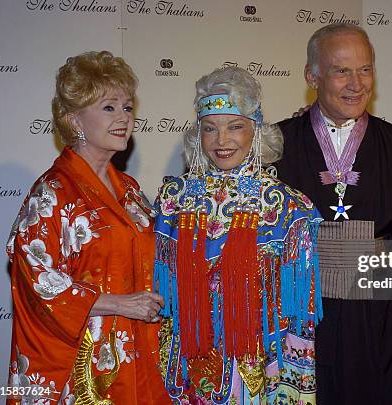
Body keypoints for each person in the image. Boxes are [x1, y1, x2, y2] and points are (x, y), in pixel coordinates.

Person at [5, 51, 168, 404]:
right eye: (109, 108)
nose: (124, 118)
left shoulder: (131, 190)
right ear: (73, 119)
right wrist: (118, 304)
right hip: (83, 359)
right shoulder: (52, 193)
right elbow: (36, 281)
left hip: (137, 350)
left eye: (127, 107)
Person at [275, 23, 392, 404]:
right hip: (303, 320)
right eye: (342, 70)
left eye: (365, 69)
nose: (356, 83)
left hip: (381, 321)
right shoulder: (275, 145)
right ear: (312, 75)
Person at [154, 66, 322, 404]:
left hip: (257, 365)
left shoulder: (289, 207)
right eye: (210, 129)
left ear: (255, 132)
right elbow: (161, 299)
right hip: (185, 362)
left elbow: (299, 319)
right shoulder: (173, 200)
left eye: (235, 127)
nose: (221, 141)